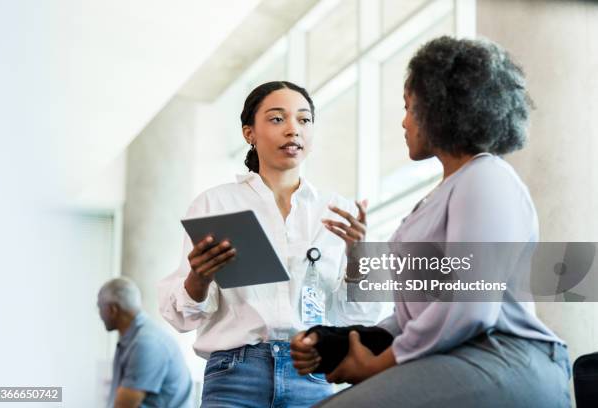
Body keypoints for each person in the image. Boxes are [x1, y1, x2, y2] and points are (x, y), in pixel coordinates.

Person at [291, 36, 571, 407]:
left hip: (506, 357)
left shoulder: (486, 177)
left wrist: (377, 366)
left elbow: (468, 304)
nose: (403, 121)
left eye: (408, 107)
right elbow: (420, 315)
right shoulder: (440, 197)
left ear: (438, 107)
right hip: (458, 357)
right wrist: (347, 341)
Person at [157, 80, 382, 408]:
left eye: (303, 120)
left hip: (313, 372)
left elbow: (360, 317)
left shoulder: (341, 212)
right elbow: (181, 319)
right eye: (277, 119)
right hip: (235, 375)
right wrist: (199, 278)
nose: (293, 129)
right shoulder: (216, 204)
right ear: (249, 133)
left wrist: (358, 257)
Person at [98, 277, 192, 408]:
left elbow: (124, 405)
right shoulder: (134, 338)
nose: (99, 314)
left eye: (100, 307)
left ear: (112, 310)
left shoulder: (146, 343)